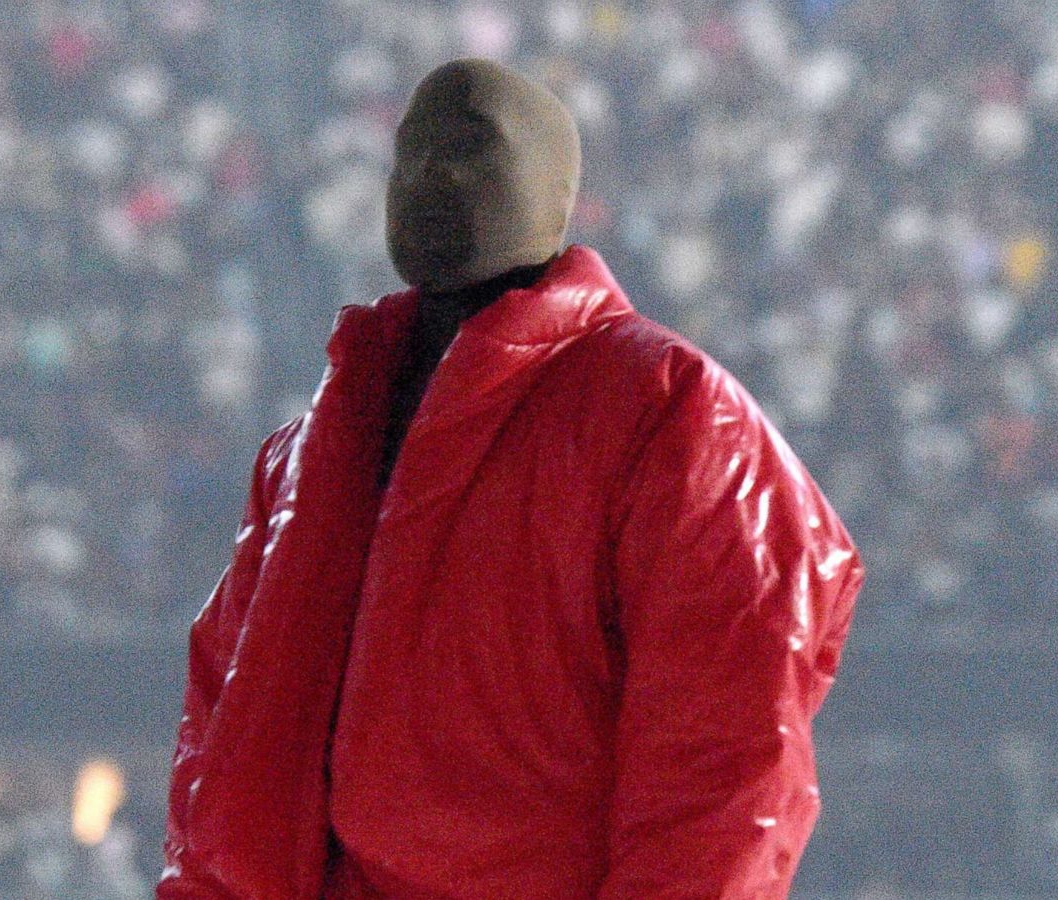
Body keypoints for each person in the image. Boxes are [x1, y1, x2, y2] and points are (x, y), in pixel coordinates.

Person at [157, 57, 863, 899]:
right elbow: (226, 739)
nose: (430, 175)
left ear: (555, 189)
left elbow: (727, 767)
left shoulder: (671, 413)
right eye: (409, 152)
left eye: (469, 148)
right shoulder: (311, 448)